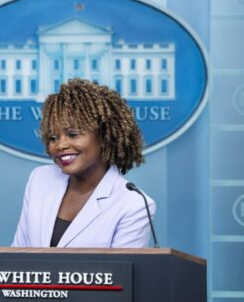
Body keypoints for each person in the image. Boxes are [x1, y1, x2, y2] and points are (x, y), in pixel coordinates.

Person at [11, 78, 155, 248]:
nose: (60, 145)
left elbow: (121, 273)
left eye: (73, 134)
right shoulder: (40, 179)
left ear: (103, 137)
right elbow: (18, 256)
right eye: (53, 138)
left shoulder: (133, 205)